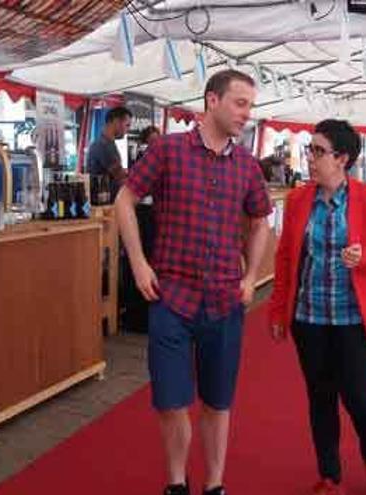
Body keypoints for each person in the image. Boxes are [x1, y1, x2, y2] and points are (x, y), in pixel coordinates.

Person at [114, 69, 273, 495]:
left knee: (218, 403)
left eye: (250, 106)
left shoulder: (247, 166)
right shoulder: (167, 150)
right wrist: (139, 263)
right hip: (172, 297)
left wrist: (252, 276)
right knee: (170, 401)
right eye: (240, 103)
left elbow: (260, 221)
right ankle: (177, 484)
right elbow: (124, 200)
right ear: (212, 101)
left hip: (224, 300)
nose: (247, 114)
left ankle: (214, 486)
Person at [269, 119, 366, 495]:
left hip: (355, 319)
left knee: (360, 399)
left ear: (342, 158)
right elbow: (284, 259)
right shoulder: (298, 200)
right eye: (310, 150)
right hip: (309, 319)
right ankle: (329, 475)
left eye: (319, 151)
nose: (310, 158)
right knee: (320, 397)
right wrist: (279, 311)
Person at [88, 106, 132, 202]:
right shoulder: (104, 145)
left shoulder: (105, 143)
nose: (128, 130)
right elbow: (120, 176)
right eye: (127, 125)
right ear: (116, 121)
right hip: (105, 204)